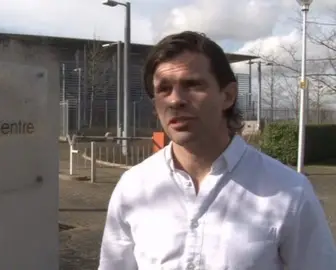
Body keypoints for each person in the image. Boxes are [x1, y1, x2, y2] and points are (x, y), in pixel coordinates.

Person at [98, 31, 336, 270]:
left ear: (228, 96)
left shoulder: (288, 192)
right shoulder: (133, 188)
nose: (175, 100)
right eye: (164, 89)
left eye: (192, 85)